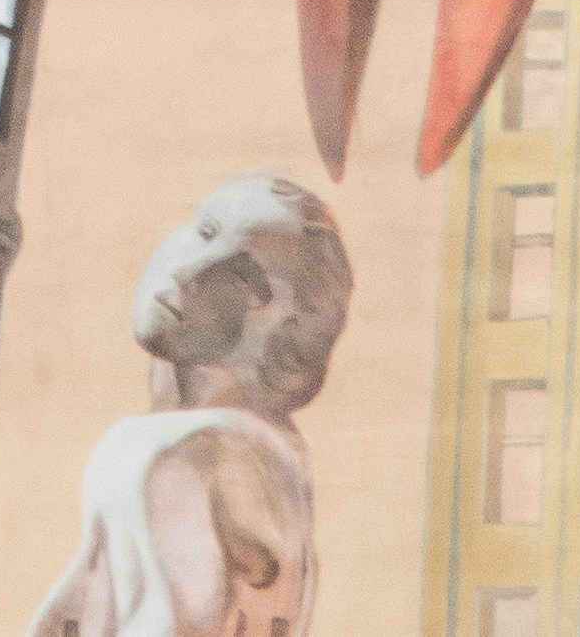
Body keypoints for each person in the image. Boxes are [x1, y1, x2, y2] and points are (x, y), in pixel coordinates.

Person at [22, 175, 353, 637]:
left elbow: (174, 624)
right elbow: (77, 609)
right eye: (207, 231)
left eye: (243, 277)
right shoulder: (267, 454)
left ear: (285, 330)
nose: (191, 270)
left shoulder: (188, 451)